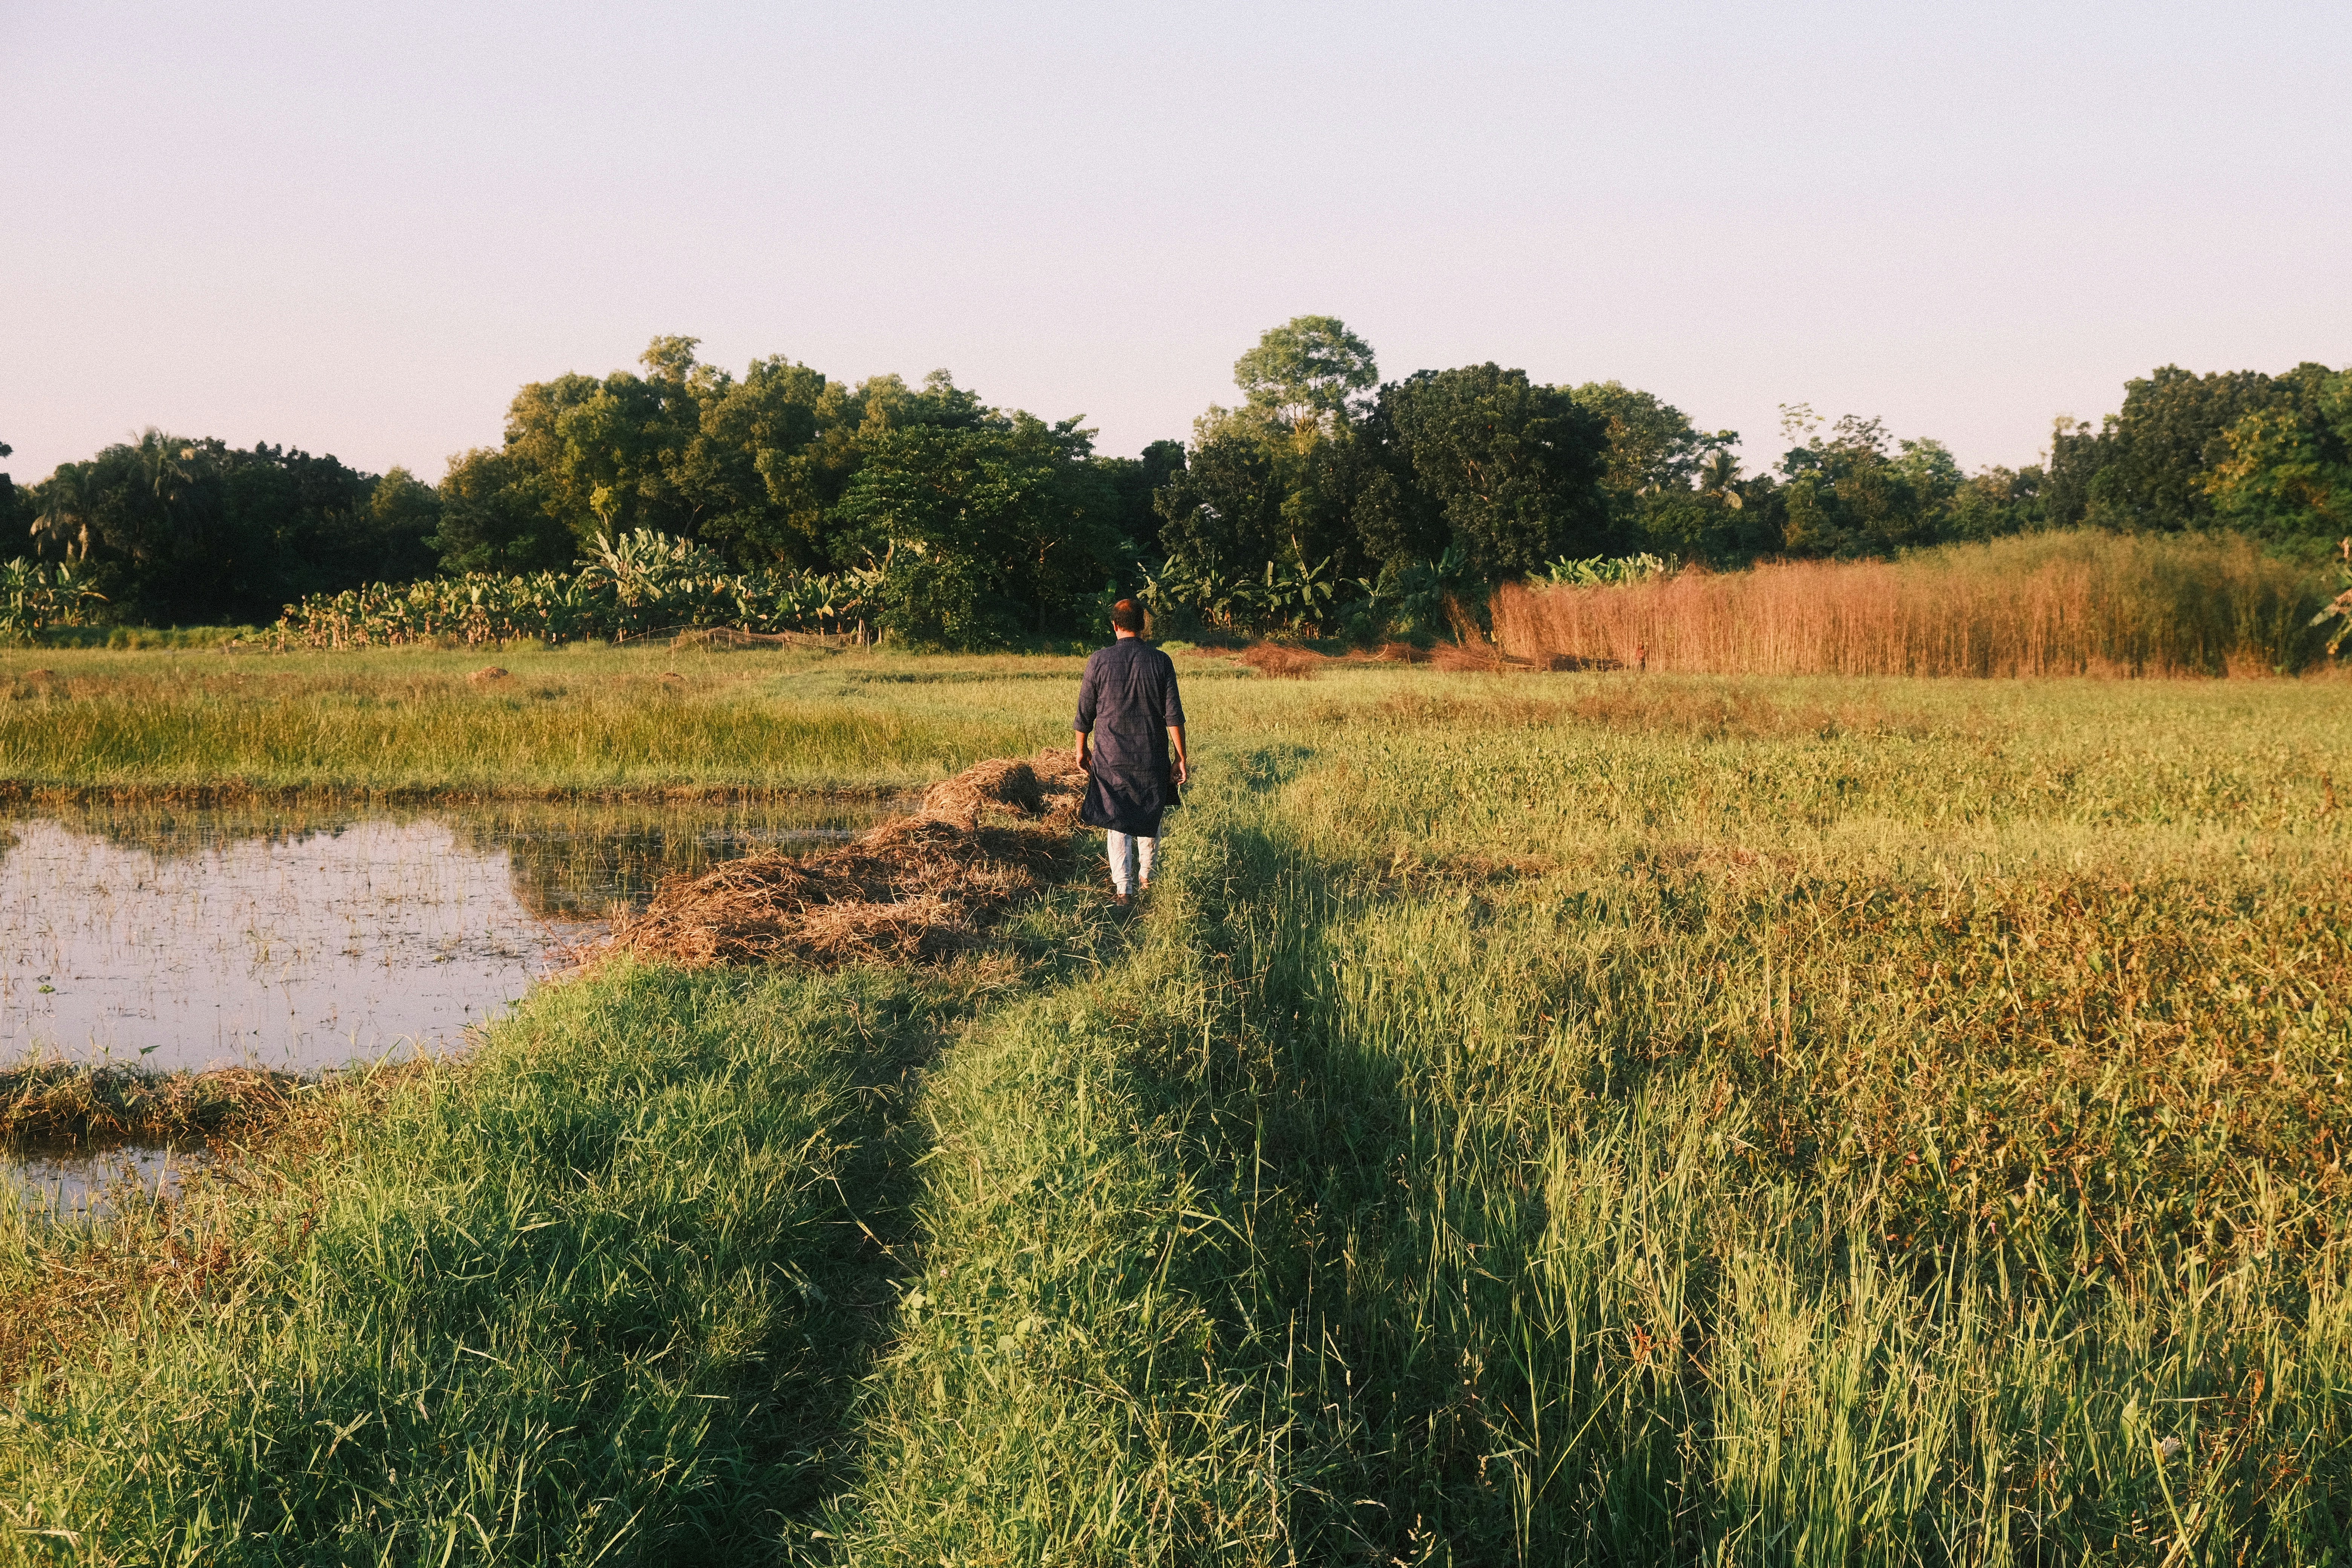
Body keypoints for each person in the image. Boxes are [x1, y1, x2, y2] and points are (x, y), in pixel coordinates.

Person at [1073, 599, 1188, 904]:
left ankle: (1124, 889)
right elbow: (1173, 715)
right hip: (1150, 755)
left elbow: (1085, 713)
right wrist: (1181, 758)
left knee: (1116, 818)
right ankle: (1148, 877)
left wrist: (1081, 750)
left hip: (1110, 755)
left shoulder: (1098, 661)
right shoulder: (1161, 661)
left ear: (1115, 625)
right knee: (1151, 812)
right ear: (1143, 626)